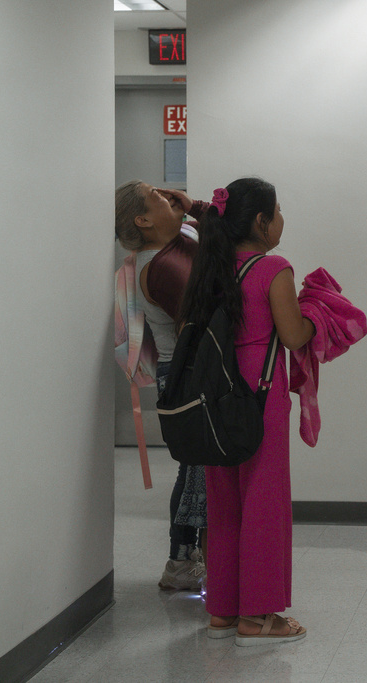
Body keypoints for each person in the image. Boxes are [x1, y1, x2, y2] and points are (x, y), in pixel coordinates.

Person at [180, 178, 314, 646]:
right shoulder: (273, 268)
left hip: (215, 393)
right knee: (263, 503)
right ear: (260, 222)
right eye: (277, 212)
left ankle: (222, 611)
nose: (281, 221)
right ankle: (258, 617)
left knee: (224, 504)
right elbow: (294, 335)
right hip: (259, 394)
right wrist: (317, 315)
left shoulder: (209, 267)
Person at [115, 181, 210, 591]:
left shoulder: (180, 240)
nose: (173, 197)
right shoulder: (163, 265)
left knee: (196, 470)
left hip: (190, 370)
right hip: (188, 374)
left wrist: (197, 211)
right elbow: (207, 312)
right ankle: (182, 560)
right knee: (198, 471)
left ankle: (183, 558)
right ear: (144, 221)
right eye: (161, 198)